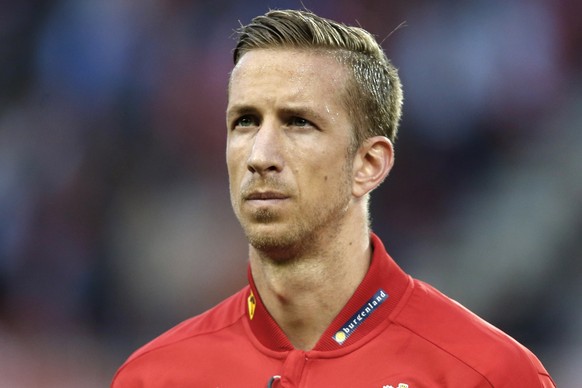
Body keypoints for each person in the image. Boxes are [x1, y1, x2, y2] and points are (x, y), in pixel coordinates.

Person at [112, 9, 555, 387]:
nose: (260, 156)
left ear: (369, 164)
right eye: (245, 121)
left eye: (299, 122)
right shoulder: (155, 376)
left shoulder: (487, 374)